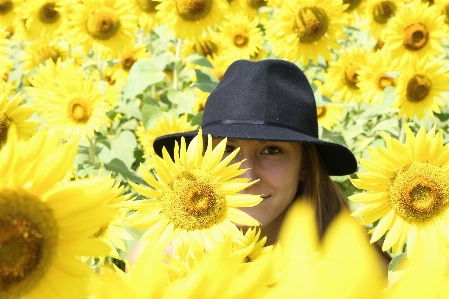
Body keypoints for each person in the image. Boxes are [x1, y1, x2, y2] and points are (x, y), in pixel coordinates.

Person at [132, 59, 391, 267]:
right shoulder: (158, 263)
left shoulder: (357, 270)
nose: (247, 175)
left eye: (271, 150)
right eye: (227, 150)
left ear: (303, 165)